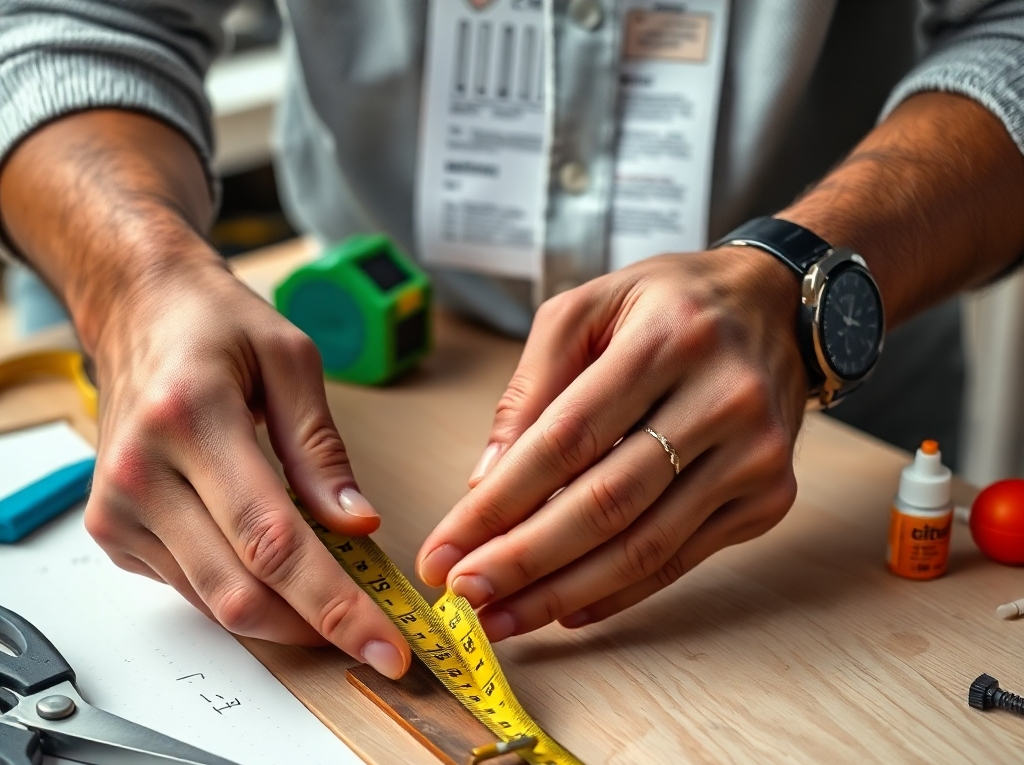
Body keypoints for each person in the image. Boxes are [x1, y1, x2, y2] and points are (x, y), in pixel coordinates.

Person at [0, 1, 1022, 681]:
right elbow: (64, 22)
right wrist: (134, 276)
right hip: (380, 369)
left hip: (828, 432)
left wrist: (801, 280)